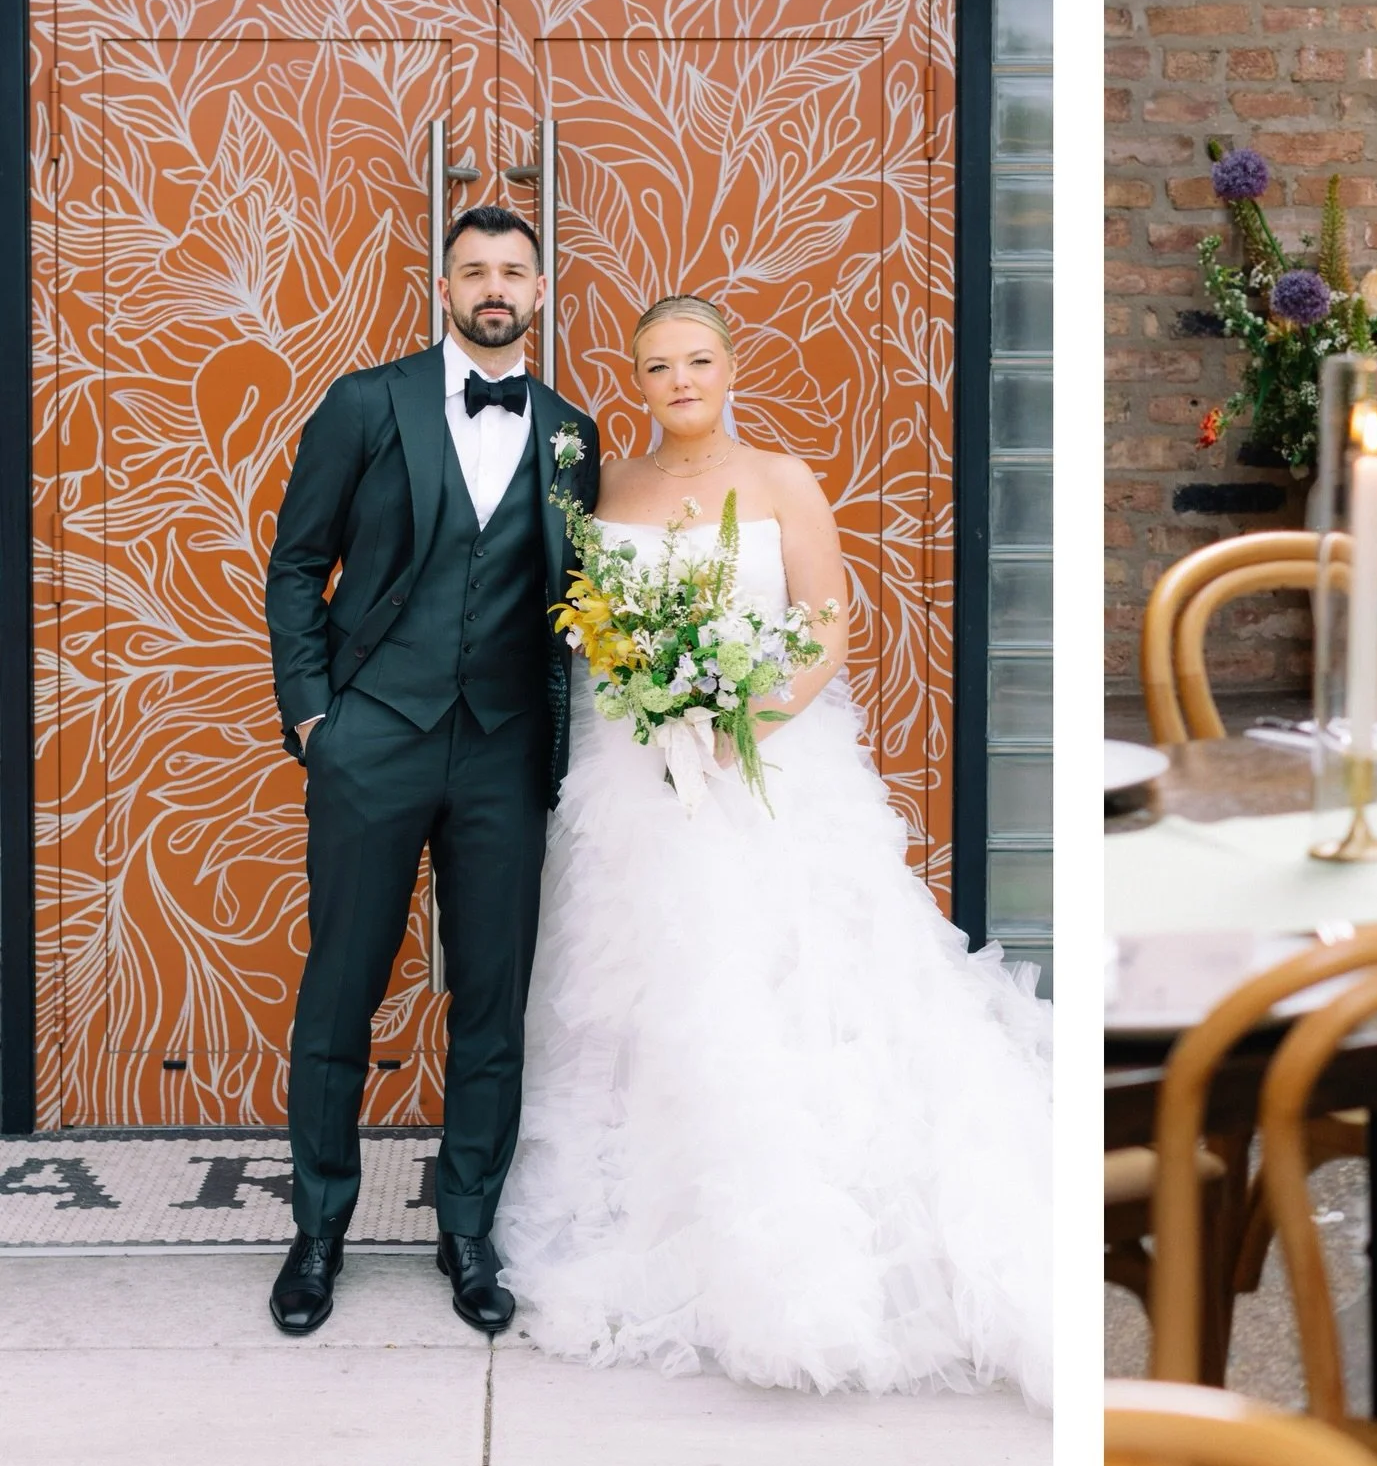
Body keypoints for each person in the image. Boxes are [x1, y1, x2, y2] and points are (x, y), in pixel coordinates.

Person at [494, 295, 1052, 1405]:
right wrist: (660, 707)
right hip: (636, 778)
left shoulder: (783, 480)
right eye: (658, 367)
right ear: (639, 380)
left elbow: (829, 620)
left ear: (730, 366)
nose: (680, 381)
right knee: (641, 988)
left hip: (765, 767)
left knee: (776, 985)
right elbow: (589, 625)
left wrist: (749, 717)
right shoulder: (612, 489)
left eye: (698, 360)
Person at [264, 205, 600, 1337]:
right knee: (342, 986)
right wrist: (317, 719)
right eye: (474, 269)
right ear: (444, 286)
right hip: (372, 740)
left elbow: (578, 597)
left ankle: (468, 1231)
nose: (494, 286)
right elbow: (299, 563)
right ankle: (318, 1231)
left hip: (504, 752)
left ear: (542, 291)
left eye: (514, 269)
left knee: (492, 1001)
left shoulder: (571, 433)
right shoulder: (368, 402)